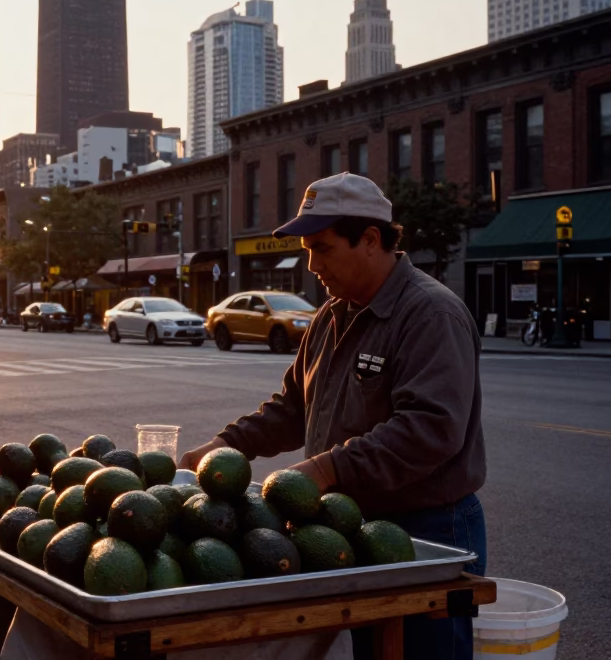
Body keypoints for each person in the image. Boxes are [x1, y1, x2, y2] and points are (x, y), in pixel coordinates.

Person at [178, 173, 486, 660]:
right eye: (307, 250)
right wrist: (222, 446)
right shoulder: (329, 315)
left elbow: (429, 429)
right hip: (345, 527)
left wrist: (324, 469)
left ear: (369, 240)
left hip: (426, 529)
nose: (313, 265)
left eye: (322, 248)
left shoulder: (430, 314)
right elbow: (291, 408)